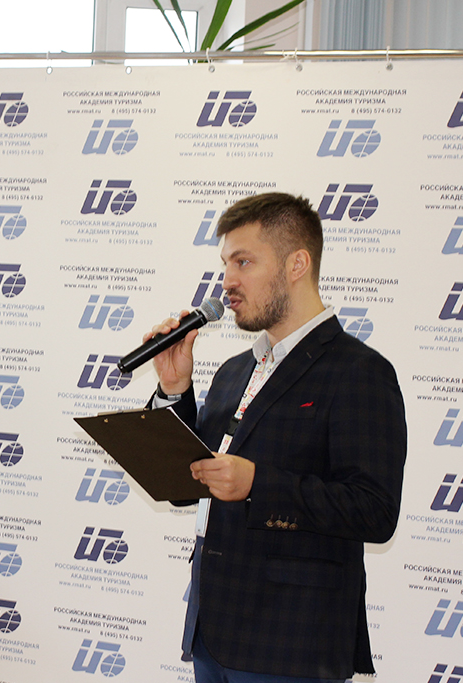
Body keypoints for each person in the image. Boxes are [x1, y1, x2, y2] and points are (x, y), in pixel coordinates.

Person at [144, 192, 406, 682]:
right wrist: (174, 389)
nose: (228, 281)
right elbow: (185, 486)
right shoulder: (233, 370)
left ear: (296, 265)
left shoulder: (358, 372)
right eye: (226, 263)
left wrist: (256, 485)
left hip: (292, 646)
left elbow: (374, 510)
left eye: (244, 262)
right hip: (211, 632)